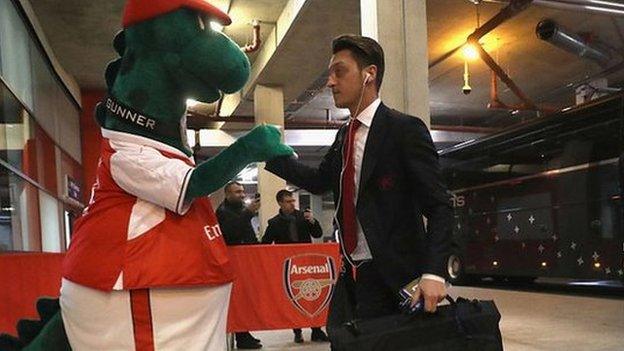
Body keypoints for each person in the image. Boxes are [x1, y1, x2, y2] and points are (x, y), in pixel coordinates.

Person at [265, 34, 452, 326]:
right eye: (330, 74)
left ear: (369, 74)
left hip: (398, 277)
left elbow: (440, 206)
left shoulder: (403, 129)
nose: (330, 82)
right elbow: (318, 181)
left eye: (339, 72)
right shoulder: (344, 136)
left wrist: (434, 273)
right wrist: (272, 155)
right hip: (353, 273)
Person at [262, 189, 329, 343]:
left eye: (292, 201)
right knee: (293, 297)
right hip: (289, 266)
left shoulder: (303, 217)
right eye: (288, 202)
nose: (292, 204)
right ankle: (297, 330)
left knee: (312, 295)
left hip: (307, 264)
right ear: (280, 203)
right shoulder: (274, 222)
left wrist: (312, 220)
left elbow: (317, 234)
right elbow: (265, 243)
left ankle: (316, 330)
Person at [216, 182, 263, 349]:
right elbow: (230, 233)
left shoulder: (240, 210)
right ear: (227, 194)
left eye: (243, 191)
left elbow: (247, 233)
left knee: (245, 299)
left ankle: (244, 333)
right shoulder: (223, 212)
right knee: (236, 300)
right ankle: (241, 335)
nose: (242, 195)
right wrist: (248, 214)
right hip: (233, 263)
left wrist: (256, 249)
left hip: (246, 261)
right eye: (237, 192)